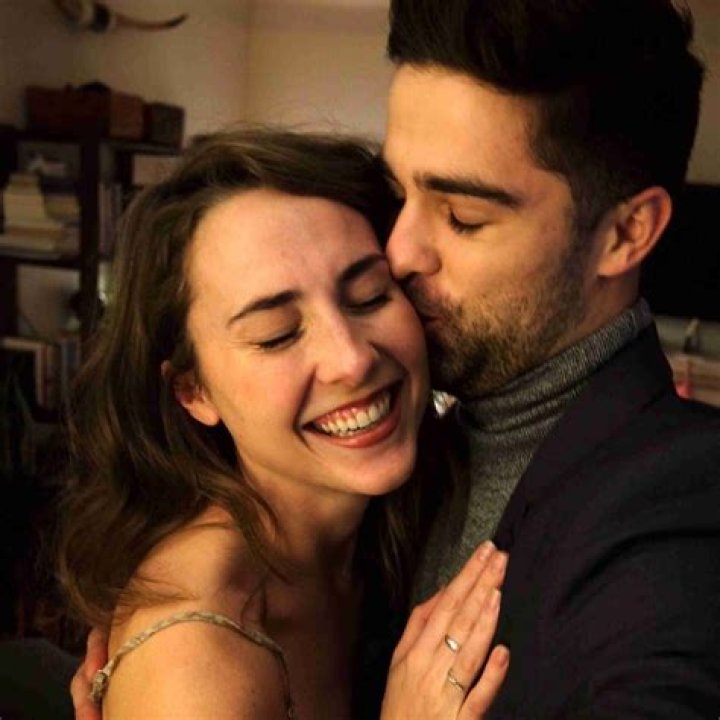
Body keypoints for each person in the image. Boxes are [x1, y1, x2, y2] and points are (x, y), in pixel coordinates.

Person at [58, 128, 510, 719]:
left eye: (370, 296)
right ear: (193, 391)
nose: (351, 360)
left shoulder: (410, 508)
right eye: (277, 335)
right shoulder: (197, 662)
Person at [380, 0, 720, 716]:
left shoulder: (684, 500)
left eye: (464, 217)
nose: (399, 252)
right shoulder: (411, 448)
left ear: (626, 234)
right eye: (397, 194)